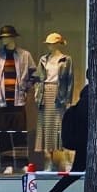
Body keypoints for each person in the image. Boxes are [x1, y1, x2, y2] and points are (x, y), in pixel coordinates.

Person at [0, 25, 37, 174]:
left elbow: (35, 74)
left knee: (20, 133)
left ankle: (22, 162)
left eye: (6, 37)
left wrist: (26, 87)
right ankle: (7, 164)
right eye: (3, 37)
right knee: (3, 134)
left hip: (18, 101)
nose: (4, 40)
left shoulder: (25, 55)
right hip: (1, 102)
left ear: (13, 38)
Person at [40, 84, 88, 192]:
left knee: (75, 174)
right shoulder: (91, 98)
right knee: (76, 174)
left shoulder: (83, 99)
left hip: (83, 144)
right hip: (87, 144)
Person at [34, 32, 74, 172]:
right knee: (46, 130)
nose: (50, 46)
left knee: (61, 128)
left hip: (59, 95)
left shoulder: (66, 60)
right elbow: (38, 78)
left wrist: (68, 100)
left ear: (58, 44)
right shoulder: (43, 59)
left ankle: (67, 160)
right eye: (48, 44)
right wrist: (37, 94)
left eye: (52, 43)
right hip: (45, 95)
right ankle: (48, 161)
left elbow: (70, 81)